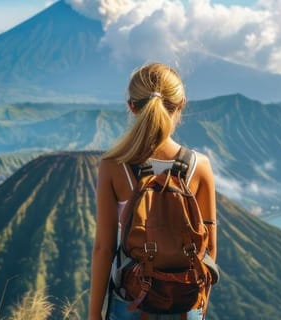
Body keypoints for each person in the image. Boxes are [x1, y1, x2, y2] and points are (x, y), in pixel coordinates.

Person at [88, 63, 218, 320]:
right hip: (186, 301)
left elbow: (103, 248)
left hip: (131, 299)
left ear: (132, 107)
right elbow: (209, 250)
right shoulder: (199, 166)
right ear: (180, 105)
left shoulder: (114, 166)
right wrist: (199, 309)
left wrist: (94, 315)